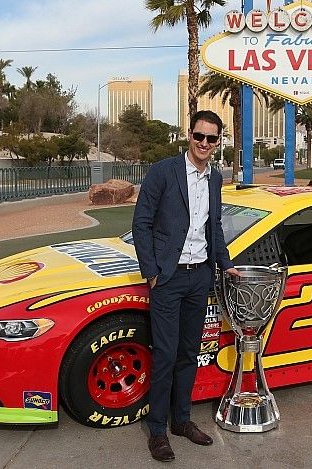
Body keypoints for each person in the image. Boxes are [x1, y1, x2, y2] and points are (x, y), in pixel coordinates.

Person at [132, 110, 240, 462]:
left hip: (200, 277)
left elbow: (216, 227)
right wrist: (152, 272)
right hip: (168, 277)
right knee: (164, 354)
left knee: (188, 353)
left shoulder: (215, 179)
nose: (204, 144)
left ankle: (182, 420)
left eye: (212, 138)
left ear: (218, 141)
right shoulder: (164, 172)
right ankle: (158, 429)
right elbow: (142, 223)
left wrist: (224, 265)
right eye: (199, 136)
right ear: (189, 135)